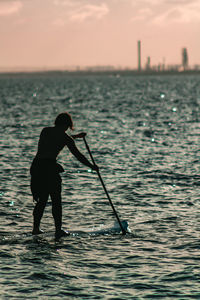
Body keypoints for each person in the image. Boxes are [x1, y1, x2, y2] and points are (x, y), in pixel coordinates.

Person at [30, 112, 98, 238]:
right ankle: (58, 229)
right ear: (67, 125)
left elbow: (56, 138)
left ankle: (35, 228)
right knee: (56, 200)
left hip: (37, 167)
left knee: (42, 200)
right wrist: (91, 166)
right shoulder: (66, 138)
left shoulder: (45, 131)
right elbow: (78, 155)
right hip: (49, 168)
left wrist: (75, 137)